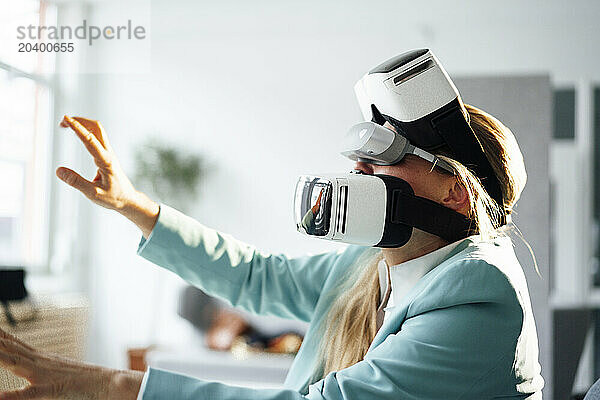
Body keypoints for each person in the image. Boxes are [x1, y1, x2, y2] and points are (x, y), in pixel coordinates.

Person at [0, 58, 544, 399]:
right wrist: (131, 203)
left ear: (456, 191)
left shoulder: (477, 299)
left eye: (383, 154)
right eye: (360, 153)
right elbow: (256, 277)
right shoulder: (371, 264)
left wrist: (111, 385)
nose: (359, 173)